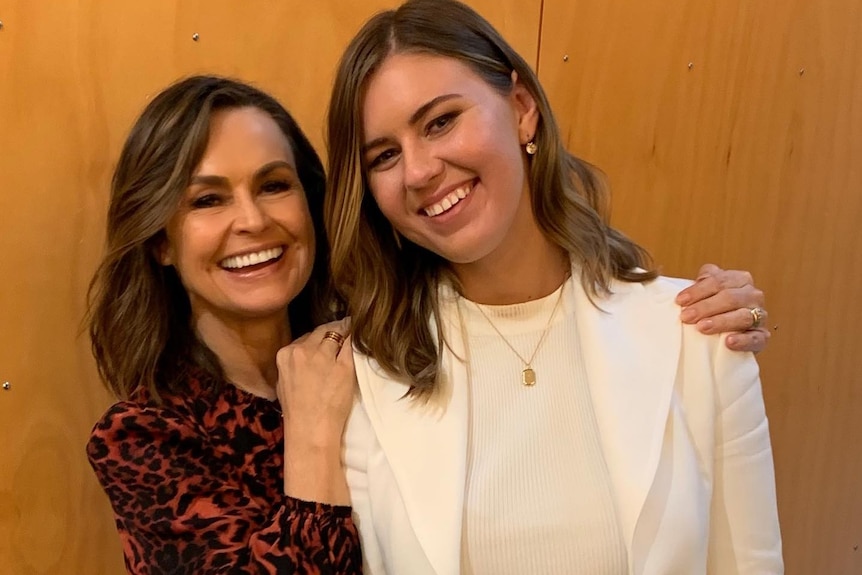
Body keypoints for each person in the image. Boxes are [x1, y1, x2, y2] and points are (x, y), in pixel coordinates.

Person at [326, 1, 782, 573]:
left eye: (440, 121)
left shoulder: (699, 335)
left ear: (522, 109)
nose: (418, 171)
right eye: (385, 155)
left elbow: (750, 563)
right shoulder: (366, 371)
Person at [85, 77, 361, 574]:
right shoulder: (143, 439)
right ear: (160, 242)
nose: (252, 220)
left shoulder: (372, 356)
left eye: (274, 185)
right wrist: (314, 436)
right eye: (207, 200)